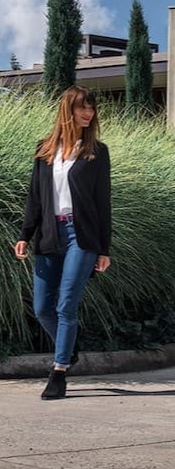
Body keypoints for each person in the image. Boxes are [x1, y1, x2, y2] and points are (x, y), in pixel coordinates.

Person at [12, 85, 112, 400]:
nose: (88, 113)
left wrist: (104, 248)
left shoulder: (97, 151)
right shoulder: (44, 150)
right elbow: (35, 198)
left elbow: (102, 202)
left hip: (81, 236)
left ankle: (58, 372)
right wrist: (24, 234)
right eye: (82, 107)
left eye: (91, 108)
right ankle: (70, 346)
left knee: (66, 304)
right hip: (49, 234)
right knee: (43, 308)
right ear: (66, 111)